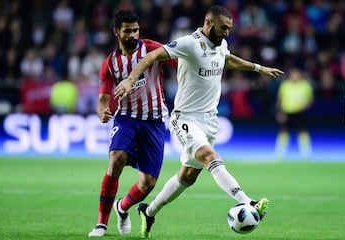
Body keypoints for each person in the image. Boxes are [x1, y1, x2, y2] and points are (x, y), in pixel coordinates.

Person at [114, 5, 284, 238]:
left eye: (230, 29)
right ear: (209, 24)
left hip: (209, 121)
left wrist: (257, 68)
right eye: (224, 28)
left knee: (187, 177)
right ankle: (249, 202)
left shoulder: (220, 44)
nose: (227, 33)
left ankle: (149, 210)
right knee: (209, 157)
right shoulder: (189, 44)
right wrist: (131, 80)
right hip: (184, 118)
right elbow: (153, 55)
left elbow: (227, 59)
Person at [88, 10, 175, 237]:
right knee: (116, 159)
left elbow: (180, 58)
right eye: (127, 31)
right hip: (126, 119)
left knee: (148, 183)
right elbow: (103, 98)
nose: (133, 35)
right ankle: (101, 224)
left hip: (155, 122)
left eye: (136, 30)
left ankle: (122, 207)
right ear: (117, 32)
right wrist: (101, 111)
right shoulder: (110, 64)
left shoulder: (153, 48)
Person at [274, 67, 314, 160]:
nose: (294, 76)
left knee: (303, 132)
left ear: (300, 75)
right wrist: (280, 112)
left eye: (296, 74)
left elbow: (310, 100)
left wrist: (304, 107)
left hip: (300, 112)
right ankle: (279, 153)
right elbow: (280, 99)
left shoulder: (305, 85)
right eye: (293, 74)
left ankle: (306, 153)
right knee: (283, 132)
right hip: (287, 112)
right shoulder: (285, 85)